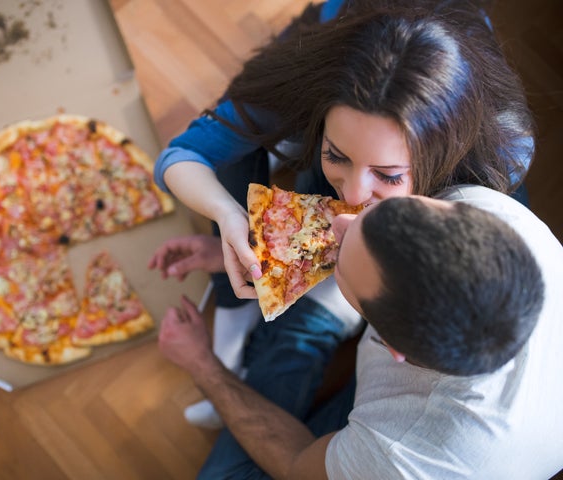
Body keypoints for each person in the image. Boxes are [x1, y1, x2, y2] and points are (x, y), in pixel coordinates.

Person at [149, 0, 535, 432]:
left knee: (304, 331)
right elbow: (180, 156)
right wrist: (229, 216)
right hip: (329, 45)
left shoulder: (500, 164)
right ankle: (240, 309)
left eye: (387, 175)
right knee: (235, 147)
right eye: (336, 154)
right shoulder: (311, 72)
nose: (350, 195)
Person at [158, 186, 563, 479]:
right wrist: (260, 253)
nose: (340, 219)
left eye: (342, 255)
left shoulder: (403, 456)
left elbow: (298, 463)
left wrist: (202, 364)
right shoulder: (490, 207)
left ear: (387, 343)